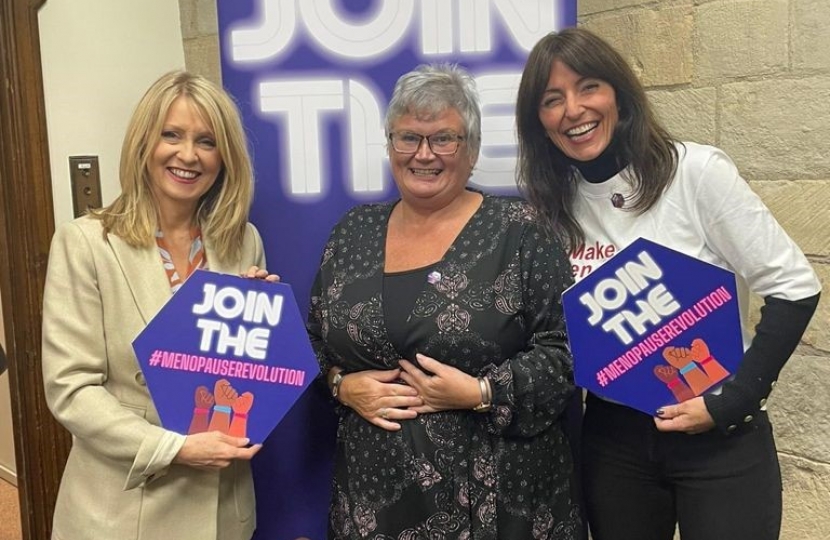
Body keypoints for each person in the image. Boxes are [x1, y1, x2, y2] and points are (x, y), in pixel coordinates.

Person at [515, 27, 821, 540]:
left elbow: (795, 286)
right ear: (539, 123)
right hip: (614, 441)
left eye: (588, 87)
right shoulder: (550, 206)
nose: (573, 109)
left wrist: (734, 400)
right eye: (552, 99)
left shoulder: (695, 172)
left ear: (619, 95)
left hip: (720, 433)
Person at [308, 63, 582, 539]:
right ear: (390, 144)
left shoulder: (522, 231)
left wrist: (482, 392)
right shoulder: (352, 232)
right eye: (408, 138)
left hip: (501, 503)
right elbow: (313, 342)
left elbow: (567, 351)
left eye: (444, 139)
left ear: (472, 150)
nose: (424, 154)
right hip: (377, 503)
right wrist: (340, 385)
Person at [41, 71, 277, 540]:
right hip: (126, 509)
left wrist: (266, 325)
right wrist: (173, 448)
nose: (188, 155)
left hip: (219, 510)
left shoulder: (242, 242)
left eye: (206, 141)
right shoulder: (87, 243)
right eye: (172, 135)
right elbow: (71, 389)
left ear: (224, 157)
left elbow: (243, 385)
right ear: (144, 142)